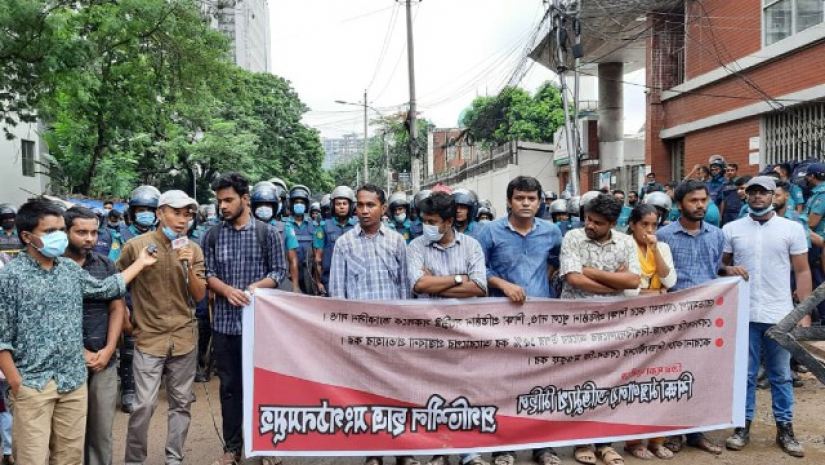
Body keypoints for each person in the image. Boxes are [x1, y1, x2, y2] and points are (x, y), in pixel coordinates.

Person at [0, 199, 156, 464]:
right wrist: (18, 385)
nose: (59, 236)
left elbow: (106, 288)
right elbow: (2, 338)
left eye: (62, 230)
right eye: (50, 231)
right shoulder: (10, 277)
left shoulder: (70, 270)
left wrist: (140, 263)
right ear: (26, 236)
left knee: (70, 458)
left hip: (72, 383)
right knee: (32, 458)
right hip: (33, 385)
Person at [721, 176, 810, 458]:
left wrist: (803, 312)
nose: (758, 196)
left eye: (763, 192)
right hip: (743, 312)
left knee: (781, 374)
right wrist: (728, 270)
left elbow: (803, 270)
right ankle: (742, 427)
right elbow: (720, 266)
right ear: (746, 195)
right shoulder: (732, 229)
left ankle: (785, 429)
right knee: (745, 374)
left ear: (774, 195)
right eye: (753, 192)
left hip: (780, 313)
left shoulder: (791, 229)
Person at [476, 176, 563, 465]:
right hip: (501, 320)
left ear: (539, 203)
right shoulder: (489, 231)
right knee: (504, 384)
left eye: (531, 199)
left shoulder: (551, 231)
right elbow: (477, 268)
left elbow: (556, 261)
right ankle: (504, 448)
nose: (525, 203)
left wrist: (541, 285)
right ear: (509, 201)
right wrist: (504, 285)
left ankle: (543, 447)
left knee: (541, 383)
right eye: (520, 198)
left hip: (539, 321)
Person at [204, 173, 288, 465]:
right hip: (225, 326)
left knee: (263, 387)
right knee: (229, 389)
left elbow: (278, 271)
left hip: (259, 327)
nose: (223, 206)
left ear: (245, 199)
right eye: (220, 201)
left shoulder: (267, 233)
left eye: (229, 200)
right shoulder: (213, 235)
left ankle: (266, 446)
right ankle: (232, 448)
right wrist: (226, 290)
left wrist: (257, 286)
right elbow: (208, 273)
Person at [118, 190, 207, 465]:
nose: (182, 220)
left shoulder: (193, 249)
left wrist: (188, 266)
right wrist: (124, 317)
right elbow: (116, 283)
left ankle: (174, 458)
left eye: (187, 215)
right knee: (143, 404)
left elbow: (199, 295)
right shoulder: (135, 246)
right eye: (176, 213)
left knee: (181, 404)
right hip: (149, 338)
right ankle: (134, 460)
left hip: (184, 337)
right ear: (160, 213)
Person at [329, 185, 411, 465]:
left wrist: (404, 330)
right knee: (367, 394)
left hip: (393, 333)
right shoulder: (344, 244)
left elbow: (405, 289)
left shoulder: (397, 242)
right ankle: (373, 453)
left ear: (383, 208)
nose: (364, 210)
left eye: (370, 205)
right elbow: (337, 294)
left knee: (398, 391)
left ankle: (403, 452)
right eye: (360, 205)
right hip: (361, 335)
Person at [559, 193, 640, 465]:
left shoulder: (626, 242)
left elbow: (633, 281)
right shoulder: (573, 237)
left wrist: (590, 271)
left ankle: (605, 443)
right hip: (576, 323)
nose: (590, 225)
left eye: (598, 222)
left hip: (612, 325)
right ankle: (581, 442)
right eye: (589, 219)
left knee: (608, 382)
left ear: (613, 223)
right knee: (579, 382)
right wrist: (614, 283)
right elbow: (573, 278)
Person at [406, 193, 487, 465]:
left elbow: (479, 287)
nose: (426, 226)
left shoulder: (471, 246)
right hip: (429, 331)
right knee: (433, 393)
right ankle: (439, 451)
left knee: (465, 391)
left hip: (464, 332)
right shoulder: (416, 246)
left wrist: (437, 282)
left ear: (449, 221)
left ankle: (469, 452)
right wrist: (459, 278)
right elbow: (418, 284)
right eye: (424, 221)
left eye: (432, 222)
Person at [655, 180, 725, 456]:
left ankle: (696, 433)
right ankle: (673, 432)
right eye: (693, 200)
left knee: (701, 374)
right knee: (675, 374)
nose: (699, 205)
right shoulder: (664, 235)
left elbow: (715, 270)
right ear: (679, 204)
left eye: (703, 200)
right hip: (674, 318)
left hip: (707, 317)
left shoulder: (717, 235)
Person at [62, 206, 127, 465]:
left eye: (93, 232)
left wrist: (109, 349)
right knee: (69, 435)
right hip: (66, 364)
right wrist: (80, 352)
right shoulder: (53, 265)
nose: (89, 238)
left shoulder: (105, 264)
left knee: (101, 433)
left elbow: (117, 308)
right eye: (81, 232)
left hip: (103, 361)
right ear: (65, 232)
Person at [622, 204, 676, 460]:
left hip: (659, 320)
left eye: (654, 225)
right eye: (645, 224)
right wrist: (653, 293)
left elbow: (670, 281)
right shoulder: (623, 246)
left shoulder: (661, 247)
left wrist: (655, 250)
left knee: (660, 378)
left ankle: (657, 439)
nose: (650, 230)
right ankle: (633, 441)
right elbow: (628, 291)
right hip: (631, 320)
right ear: (633, 225)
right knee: (633, 378)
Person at [117, 185, 161, 414]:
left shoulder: (162, 236)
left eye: (150, 210)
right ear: (132, 212)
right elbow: (115, 271)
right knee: (130, 348)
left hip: (155, 299)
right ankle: (128, 390)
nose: (145, 214)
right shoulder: (120, 236)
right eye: (140, 210)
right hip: (130, 297)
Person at [313, 185, 357, 295]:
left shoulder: (357, 227)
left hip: (354, 278)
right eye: (338, 204)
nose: (341, 207)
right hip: (330, 278)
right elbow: (318, 257)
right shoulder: (324, 227)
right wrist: (318, 282)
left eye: (345, 204)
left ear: (350, 206)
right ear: (333, 206)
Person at [802, 162, 825, 324]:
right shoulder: (816, 193)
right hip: (817, 243)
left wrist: (797, 222)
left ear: (812, 176)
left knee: (819, 281)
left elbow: (812, 222)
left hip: (818, 244)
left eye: (807, 176)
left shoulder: (822, 194)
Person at [285, 184, 315, 294]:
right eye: (296, 202)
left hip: (309, 274)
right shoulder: (285, 225)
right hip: (289, 274)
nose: (299, 205)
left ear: (306, 205)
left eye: (302, 202)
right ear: (291, 204)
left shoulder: (314, 225)